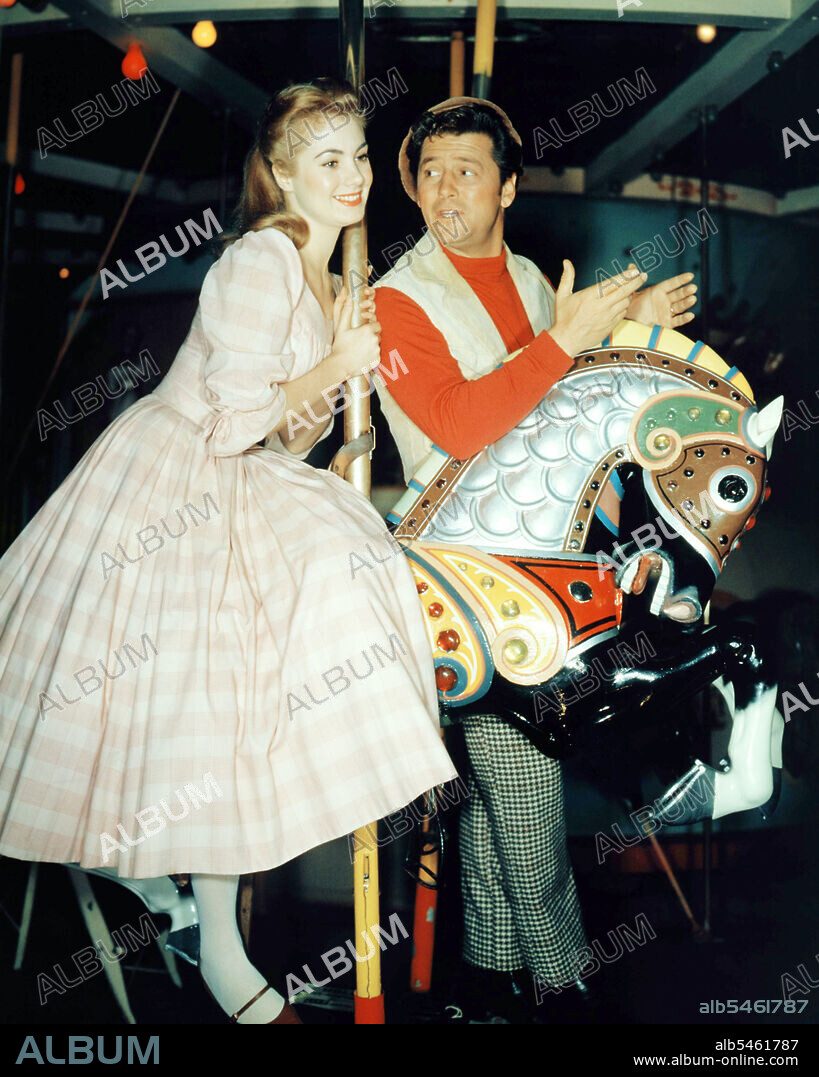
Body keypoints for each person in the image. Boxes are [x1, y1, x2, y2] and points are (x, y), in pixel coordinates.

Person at [0, 78, 457, 1024]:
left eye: (359, 155)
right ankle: (201, 930)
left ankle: (208, 934)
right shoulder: (263, 258)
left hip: (237, 472)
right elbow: (236, 425)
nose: (352, 176)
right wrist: (337, 365)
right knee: (163, 709)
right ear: (281, 172)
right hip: (178, 475)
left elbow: (286, 437)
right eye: (326, 159)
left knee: (228, 715)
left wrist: (337, 360)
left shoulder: (327, 275)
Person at [373, 96, 698, 1022]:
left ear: (508, 186)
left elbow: (554, 417)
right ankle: (560, 981)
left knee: (494, 801)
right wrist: (572, 337)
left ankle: (486, 977)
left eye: (465, 170)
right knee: (524, 787)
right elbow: (461, 422)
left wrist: (616, 331)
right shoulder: (397, 297)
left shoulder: (523, 277)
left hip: (540, 562)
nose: (442, 189)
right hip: (463, 573)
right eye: (428, 172)